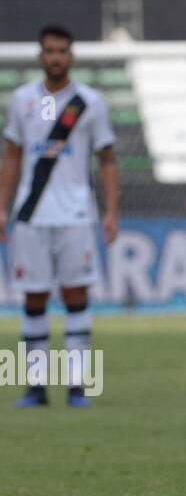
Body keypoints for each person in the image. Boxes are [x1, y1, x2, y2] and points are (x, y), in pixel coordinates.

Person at [0, 25, 119, 408]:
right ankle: (36, 387)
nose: (56, 57)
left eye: (62, 51)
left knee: (76, 296)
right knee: (33, 298)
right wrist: (3, 207)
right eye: (50, 51)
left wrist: (112, 211)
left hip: (76, 213)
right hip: (31, 215)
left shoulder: (90, 102)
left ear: (71, 56)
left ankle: (76, 386)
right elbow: (13, 156)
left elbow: (108, 159)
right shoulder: (21, 100)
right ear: (40, 55)